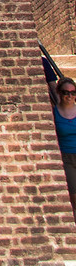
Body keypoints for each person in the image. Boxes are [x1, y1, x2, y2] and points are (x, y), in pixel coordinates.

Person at [53, 78, 76, 208]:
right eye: (66, 92)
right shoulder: (54, 113)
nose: (70, 96)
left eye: (73, 93)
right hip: (66, 157)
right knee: (73, 197)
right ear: (59, 93)